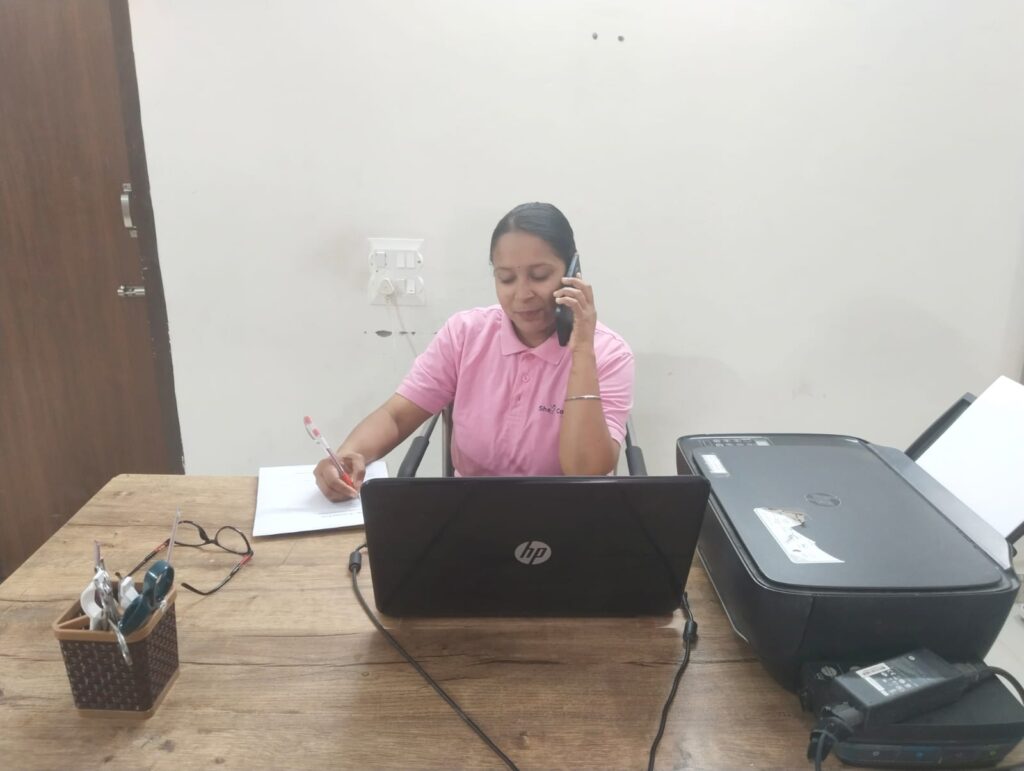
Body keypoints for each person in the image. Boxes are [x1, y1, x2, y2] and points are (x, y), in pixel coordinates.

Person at [314, 202, 634, 502]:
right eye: (506, 278)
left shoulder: (609, 354)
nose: (522, 294)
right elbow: (396, 417)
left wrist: (582, 350)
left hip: (567, 516)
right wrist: (350, 455)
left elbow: (585, 471)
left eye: (539, 276)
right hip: (468, 514)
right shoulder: (465, 334)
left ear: (573, 272)